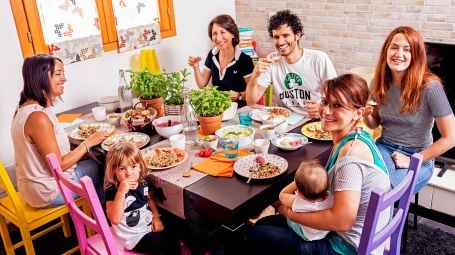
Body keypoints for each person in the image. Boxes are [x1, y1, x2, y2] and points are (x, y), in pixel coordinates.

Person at [246, 74, 391, 255]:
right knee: (265, 224)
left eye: (337, 105)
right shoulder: (357, 136)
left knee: (257, 234)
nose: (327, 111)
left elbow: (342, 221)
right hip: (354, 237)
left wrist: (288, 212)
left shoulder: (351, 158)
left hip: (345, 248)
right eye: (325, 102)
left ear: (359, 112)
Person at [363, 26, 455, 193]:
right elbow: (374, 123)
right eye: (394, 47)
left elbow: (451, 138)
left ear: (416, 55)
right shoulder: (377, 82)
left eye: (407, 50)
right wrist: (368, 116)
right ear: (386, 51)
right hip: (384, 147)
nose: (399, 54)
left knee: (380, 191)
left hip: (419, 157)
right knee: (360, 183)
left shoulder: (431, 87)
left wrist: (412, 160)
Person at [11, 54, 106, 208]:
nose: (64, 79)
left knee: (95, 161)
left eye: (63, 73)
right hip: (48, 191)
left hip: (33, 187)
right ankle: (106, 222)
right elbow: (58, 166)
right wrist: (88, 143)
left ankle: (96, 215)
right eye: (58, 74)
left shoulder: (24, 108)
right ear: (40, 78)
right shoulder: (37, 117)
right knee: (106, 167)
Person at [245, 9, 337, 118]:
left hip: (314, 121)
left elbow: (337, 97)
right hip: (284, 121)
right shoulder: (272, 60)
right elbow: (251, 101)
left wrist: (322, 108)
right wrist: (255, 76)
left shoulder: (319, 59)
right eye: (276, 37)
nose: (280, 42)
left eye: (285, 35)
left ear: (297, 35)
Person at [104, 142, 181, 255]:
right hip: (134, 238)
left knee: (180, 225)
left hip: (148, 223)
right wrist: (121, 192)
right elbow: (115, 219)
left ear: (140, 167)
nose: (129, 173)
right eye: (122, 169)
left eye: (133, 167)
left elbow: (149, 199)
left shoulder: (141, 181)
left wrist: (156, 216)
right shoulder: (112, 191)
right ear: (113, 171)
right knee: (172, 246)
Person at [188, 14, 254, 103]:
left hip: (239, 109)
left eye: (222, 32)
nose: (218, 38)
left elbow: (253, 93)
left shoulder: (245, 60)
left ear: (233, 34)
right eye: (214, 33)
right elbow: (202, 84)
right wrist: (196, 67)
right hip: (218, 109)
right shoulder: (212, 55)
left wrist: (239, 95)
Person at [280, 160, 333, 241]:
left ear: (300, 193)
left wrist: (296, 183)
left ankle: (280, 213)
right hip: (322, 233)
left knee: (282, 207)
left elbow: (282, 195)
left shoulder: (300, 203)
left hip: (306, 235)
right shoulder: (332, 199)